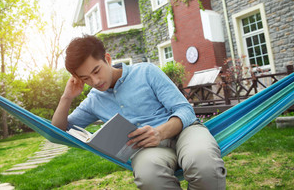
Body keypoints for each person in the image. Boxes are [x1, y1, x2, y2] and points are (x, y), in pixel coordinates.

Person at [52, 35, 226, 189]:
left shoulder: (146, 72)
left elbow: (185, 110)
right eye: (85, 79)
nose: (95, 81)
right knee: (149, 177)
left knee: (204, 165)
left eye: (96, 71)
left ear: (107, 59)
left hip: (185, 131)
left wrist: (159, 132)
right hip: (148, 150)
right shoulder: (93, 101)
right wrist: (67, 97)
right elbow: (58, 131)